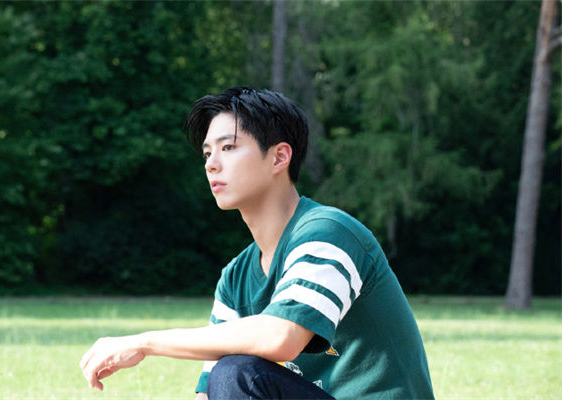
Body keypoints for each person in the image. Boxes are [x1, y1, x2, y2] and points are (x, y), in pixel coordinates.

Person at [80, 87, 434, 400]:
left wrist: (143, 343)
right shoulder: (235, 277)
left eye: (228, 147)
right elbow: (210, 393)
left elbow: (281, 337)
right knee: (228, 374)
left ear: (279, 157)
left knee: (237, 373)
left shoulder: (328, 233)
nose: (212, 164)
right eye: (207, 153)